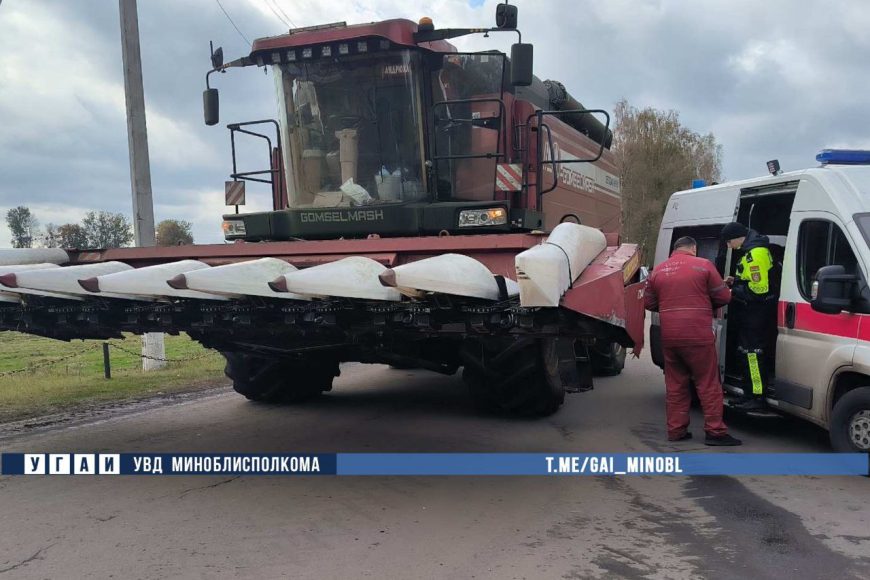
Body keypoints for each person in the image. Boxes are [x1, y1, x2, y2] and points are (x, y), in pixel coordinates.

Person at [644, 236, 742, 446]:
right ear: (694, 248)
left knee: (676, 385)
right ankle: (715, 432)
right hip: (698, 335)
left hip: (670, 337)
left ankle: (676, 430)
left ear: (675, 249)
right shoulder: (704, 266)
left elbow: (649, 302)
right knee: (708, 384)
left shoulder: (658, 271)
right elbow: (723, 297)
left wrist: (671, 305)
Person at [720, 222, 777, 411]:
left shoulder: (755, 254)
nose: (729, 246)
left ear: (737, 237)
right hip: (750, 314)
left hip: (756, 314)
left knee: (752, 355)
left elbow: (759, 290)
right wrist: (736, 280)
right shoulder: (751, 251)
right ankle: (747, 394)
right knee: (745, 353)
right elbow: (752, 280)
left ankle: (757, 397)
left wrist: (732, 290)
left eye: (729, 242)